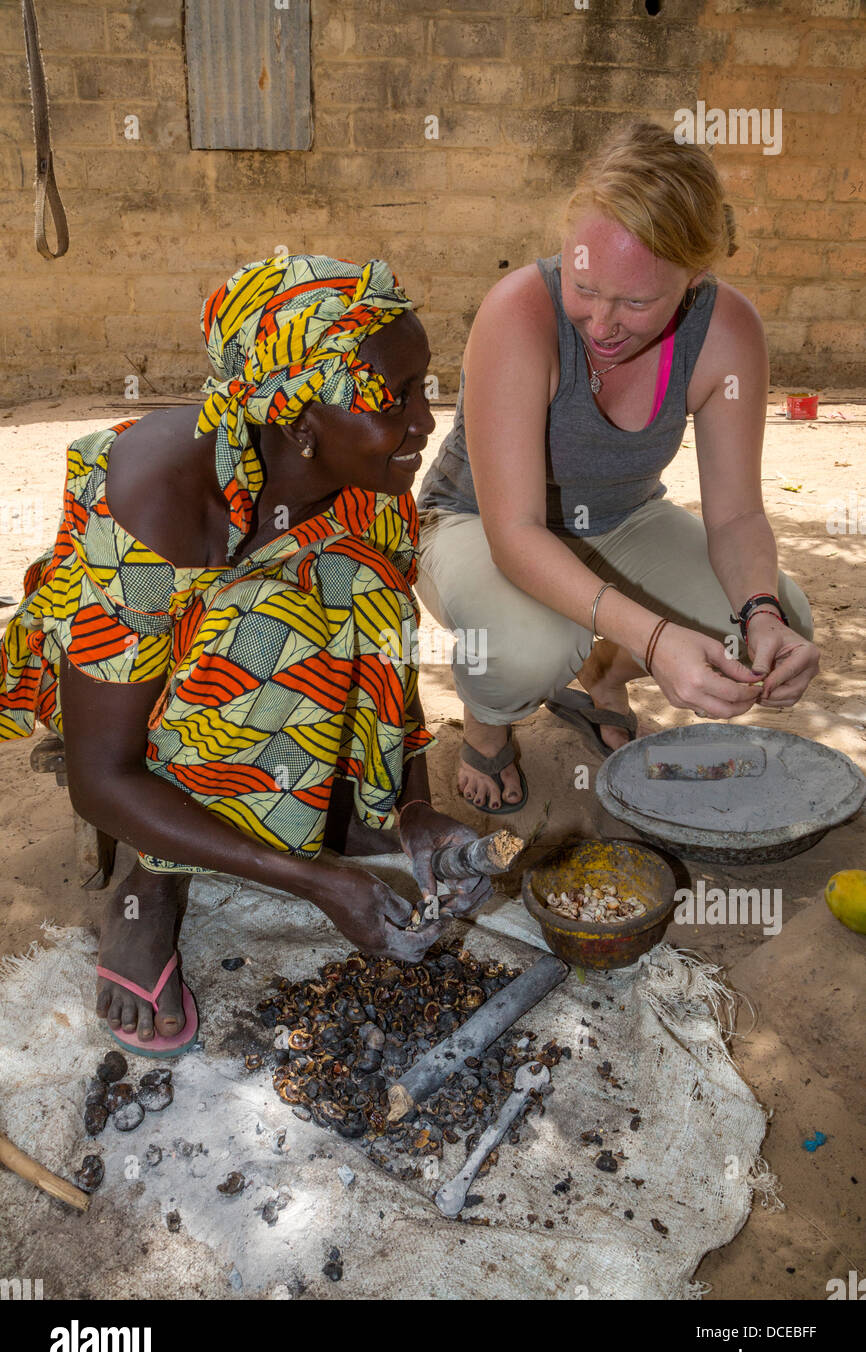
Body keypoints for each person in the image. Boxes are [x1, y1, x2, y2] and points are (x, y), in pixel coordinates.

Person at [0, 253, 490, 1054]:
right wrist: (310, 879)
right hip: (120, 694)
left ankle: (343, 810)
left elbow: (388, 660)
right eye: (390, 399)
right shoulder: (156, 495)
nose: (424, 423)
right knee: (269, 627)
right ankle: (151, 891)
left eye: (421, 388)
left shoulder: (371, 488)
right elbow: (101, 777)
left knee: (346, 584)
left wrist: (412, 809)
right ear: (299, 420)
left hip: (238, 680)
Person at [416, 120, 819, 813]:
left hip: (621, 517)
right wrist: (658, 638)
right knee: (530, 648)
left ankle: (604, 670)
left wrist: (761, 614)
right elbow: (515, 534)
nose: (601, 323)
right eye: (585, 286)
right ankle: (488, 721)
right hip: (476, 520)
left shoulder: (727, 332)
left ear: (694, 279)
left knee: (781, 627)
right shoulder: (519, 313)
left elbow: (738, 515)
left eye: (636, 302)